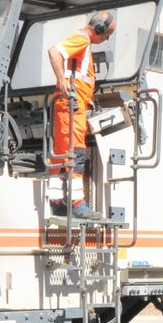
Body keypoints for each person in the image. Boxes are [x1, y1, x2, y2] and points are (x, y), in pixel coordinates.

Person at [45, 11, 115, 221]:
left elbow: (78, 75)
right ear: (99, 29)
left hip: (72, 104)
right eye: (107, 34)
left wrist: (87, 97)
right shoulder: (82, 40)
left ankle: (56, 201)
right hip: (71, 106)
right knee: (76, 153)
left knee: (60, 153)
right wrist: (63, 82)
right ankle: (77, 204)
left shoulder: (83, 44)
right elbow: (54, 52)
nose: (107, 38)